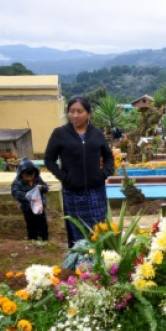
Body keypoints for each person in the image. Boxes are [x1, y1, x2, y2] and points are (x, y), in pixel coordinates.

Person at [44, 96, 114, 247]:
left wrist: (103, 174)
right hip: (73, 192)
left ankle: (99, 263)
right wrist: (65, 177)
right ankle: (79, 266)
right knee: (77, 231)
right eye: (71, 111)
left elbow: (108, 156)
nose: (75, 115)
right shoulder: (59, 133)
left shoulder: (97, 133)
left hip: (96, 191)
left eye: (79, 111)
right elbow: (49, 159)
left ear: (89, 114)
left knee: (98, 230)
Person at [11, 157, 50, 241]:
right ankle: (33, 240)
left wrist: (42, 187)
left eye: (31, 175)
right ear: (21, 173)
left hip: (39, 208)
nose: (29, 177)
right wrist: (27, 196)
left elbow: (46, 188)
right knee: (31, 226)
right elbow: (15, 193)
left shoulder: (38, 179)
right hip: (27, 209)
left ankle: (45, 240)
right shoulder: (17, 182)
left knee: (43, 225)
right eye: (26, 175)